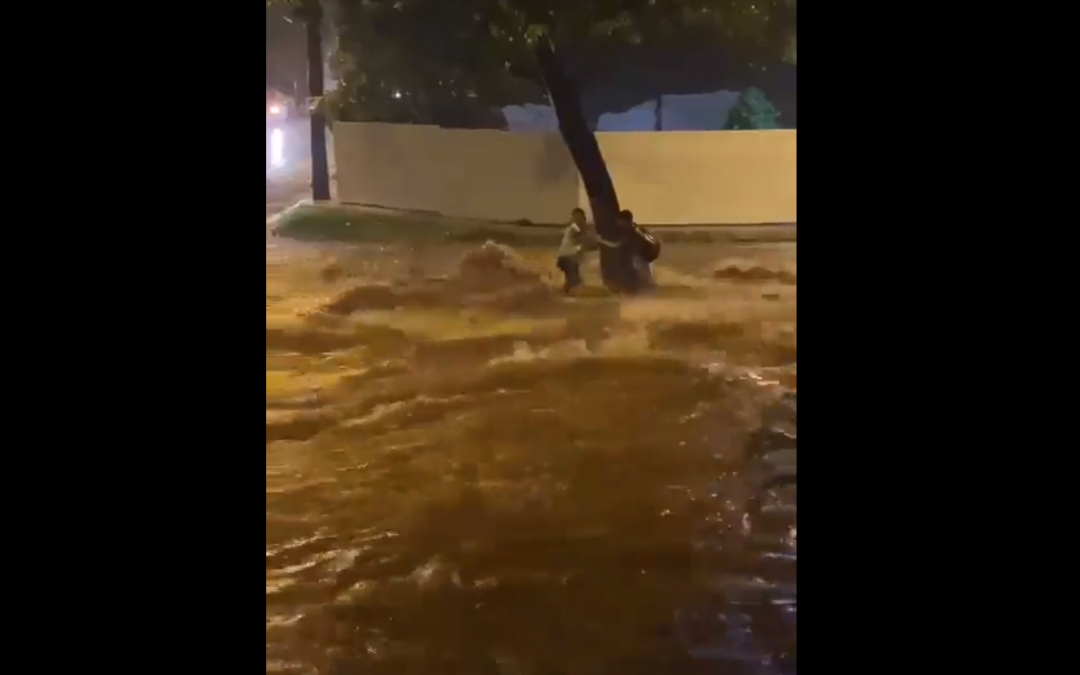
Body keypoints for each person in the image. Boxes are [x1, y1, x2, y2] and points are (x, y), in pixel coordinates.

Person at [555, 207, 589, 293]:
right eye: (577, 217)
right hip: (568, 258)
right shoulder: (574, 228)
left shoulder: (574, 228)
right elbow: (577, 235)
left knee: (572, 280)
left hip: (568, 258)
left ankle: (563, 292)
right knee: (576, 281)